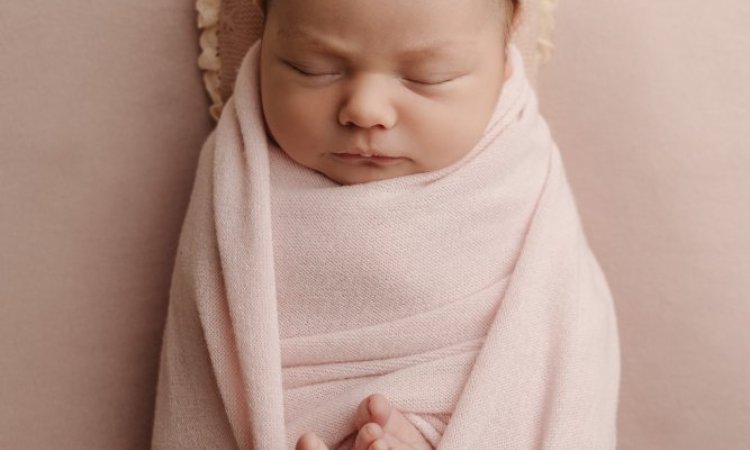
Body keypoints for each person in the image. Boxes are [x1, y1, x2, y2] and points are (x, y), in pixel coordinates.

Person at [151, 0, 620, 448]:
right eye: (313, 67)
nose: (366, 110)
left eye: (427, 77)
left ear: (503, 49)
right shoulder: (238, 178)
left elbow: (563, 373)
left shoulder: (520, 178)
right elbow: (203, 389)